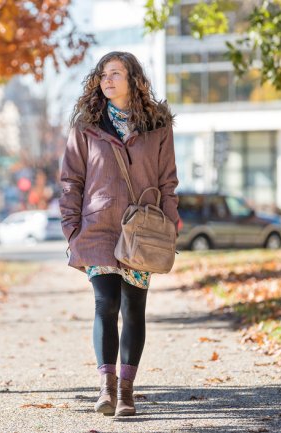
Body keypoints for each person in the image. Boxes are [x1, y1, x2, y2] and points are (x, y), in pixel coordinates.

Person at [59, 51, 179, 417]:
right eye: (102, 75)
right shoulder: (86, 125)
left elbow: (167, 181)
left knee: (134, 307)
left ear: (133, 80)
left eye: (115, 73)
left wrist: (169, 224)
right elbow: (71, 181)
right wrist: (71, 229)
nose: (106, 80)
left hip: (141, 230)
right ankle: (105, 388)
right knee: (105, 303)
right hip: (97, 229)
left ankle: (127, 391)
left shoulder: (158, 124)